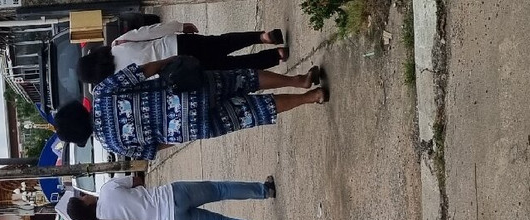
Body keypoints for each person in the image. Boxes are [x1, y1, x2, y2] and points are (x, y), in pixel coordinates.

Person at [54, 61, 326, 161]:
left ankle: (311, 97)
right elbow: (140, 72)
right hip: (190, 89)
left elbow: (155, 148)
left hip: (194, 127)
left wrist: (184, 133)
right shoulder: (101, 93)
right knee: (244, 79)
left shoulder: (114, 145)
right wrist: (170, 63)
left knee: (254, 110)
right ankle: (298, 80)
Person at [69, 174, 282, 220]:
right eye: (83, 197)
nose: (86, 195)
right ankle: (265, 191)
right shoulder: (107, 190)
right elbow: (137, 180)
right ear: (84, 203)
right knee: (220, 190)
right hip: (172, 195)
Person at [77, 23, 286, 85]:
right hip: (177, 43)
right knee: (222, 42)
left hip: (178, 68)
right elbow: (148, 32)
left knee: (230, 67)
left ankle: (276, 55)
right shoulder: (117, 44)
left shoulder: (119, 80)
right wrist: (179, 26)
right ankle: (263, 37)